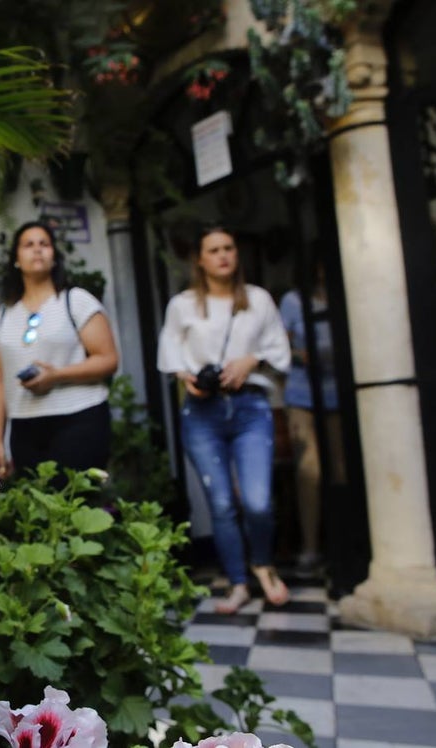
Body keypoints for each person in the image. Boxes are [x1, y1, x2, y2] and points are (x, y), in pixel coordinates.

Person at [157, 225, 292, 614]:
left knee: (258, 501)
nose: (223, 255)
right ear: (200, 259)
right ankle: (238, 582)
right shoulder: (183, 304)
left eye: (229, 248)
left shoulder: (258, 300)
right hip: (202, 411)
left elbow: (278, 350)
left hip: (250, 406)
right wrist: (189, 379)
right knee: (220, 502)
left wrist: (251, 360)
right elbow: (170, 354)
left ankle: (262, 564)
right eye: (213, 250)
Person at [0, 220, 119, 485]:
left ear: (54, 257)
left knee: (75, 505)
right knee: (37, 513)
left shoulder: (76, 301)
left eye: (44, 244)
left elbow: (108, 359)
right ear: (16, 259)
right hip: (24, 427)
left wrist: (57, 376)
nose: (37, 250)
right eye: (29, 245)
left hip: (80, 418)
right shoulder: (1, 317)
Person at [279, 260, 344, 576]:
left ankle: (345, 544)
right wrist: (302, 356)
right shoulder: (293, 302)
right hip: (303, 394)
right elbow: (279, 347)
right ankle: (310, 547)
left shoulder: (345, 296)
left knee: (342, 469)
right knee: (310, 471)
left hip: (340, 394)